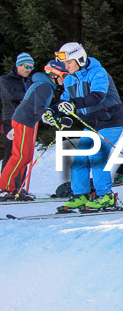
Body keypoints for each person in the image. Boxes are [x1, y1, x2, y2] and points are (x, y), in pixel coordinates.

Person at [49, 42, 123, 210]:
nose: (66, 66)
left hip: (110, 120)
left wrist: (73, 104)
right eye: (65, 63)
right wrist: (52, 112)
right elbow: (64, 100)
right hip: (91, 124)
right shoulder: (70, 78)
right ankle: (81, 195)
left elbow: (97, 97)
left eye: (69, 62)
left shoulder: (98, 72)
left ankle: (105, 196)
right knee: (79, 159)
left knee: (97, 155)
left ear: (80, 59)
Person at [0, 61, 70, 201]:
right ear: (54, 73)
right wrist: (51, 119)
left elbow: (41, 109)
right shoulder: (44, 86)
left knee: (26, 156)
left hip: (27, 122)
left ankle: (16, 189)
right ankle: (5, 188)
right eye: (63, 75)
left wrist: (57, 118)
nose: (65, 78)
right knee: (20, 155)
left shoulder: (47, 85)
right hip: (24, 121)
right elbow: (39, 109)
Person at [0, 52, 34, 189]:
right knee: (12, 153)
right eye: (26, 66)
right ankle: (6, 187)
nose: (28, 69)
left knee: (24, 154)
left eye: (31, 67)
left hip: (27, 120)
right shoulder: (5, 79)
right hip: (11, 119)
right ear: (18, 65)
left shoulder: (30, 80)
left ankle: (19, 188)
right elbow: (9, 95)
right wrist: (29, 97)